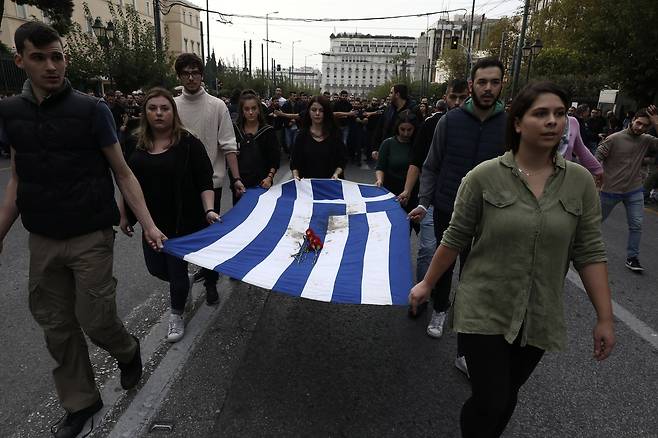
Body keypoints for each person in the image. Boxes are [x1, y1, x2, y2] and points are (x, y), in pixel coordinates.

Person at [409, 81, 615, 438]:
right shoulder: (483, 177)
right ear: (518, 123)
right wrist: (427, 283)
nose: (553, 121)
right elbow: (455, 237)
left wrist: (605, 318)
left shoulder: (579, 182)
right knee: (490, 398)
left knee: (507, 397)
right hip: (484, 307)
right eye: (541, 113)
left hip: (538, 313)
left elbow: (589, 251)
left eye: (560, 114)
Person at [0, 22, 166, 438]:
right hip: (42, 238)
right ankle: (82, 402)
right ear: (20, 60)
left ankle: (127, 350)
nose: (51, 65)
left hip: (91, 234)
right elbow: (18, 177)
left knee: (95, 319)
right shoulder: (11, 114)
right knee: (57, 327)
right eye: (39, 57)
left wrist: (148, 225)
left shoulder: (92, 110)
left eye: (57, 55)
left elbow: (123, 173)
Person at [408, 58, 507, 375]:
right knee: (444, 265)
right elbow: (431, 165)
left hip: (490, 215)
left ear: (501, 85)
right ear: (471, 86)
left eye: (494, 82)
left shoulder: (510, 125)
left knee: (475, 279)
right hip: (448, 208)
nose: (488, 88)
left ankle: (465, 347)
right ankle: (439, 309)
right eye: (482, 82)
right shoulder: (449, 122)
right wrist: (424, 202)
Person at [120, 88, 218, 343]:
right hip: (150, 221)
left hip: (182, 222)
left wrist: (209, 208)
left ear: (173, 113)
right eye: (152, 108)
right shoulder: (133, 142)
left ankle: (176, 313)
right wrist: (124, 215)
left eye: (164, 108)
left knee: (175, 273)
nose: (159, 113)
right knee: (156, 269)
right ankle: (183, 282)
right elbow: (127, 182)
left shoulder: (189, 143)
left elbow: (204, 180)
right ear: (145, 113)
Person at [399, 78, 469, 336]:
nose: (458, 103)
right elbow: (420, 163)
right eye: (453, 97)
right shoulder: (432, 123)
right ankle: (425, 296)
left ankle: (460, 317)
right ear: (446, 96)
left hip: (476, 209)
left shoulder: (490, 125)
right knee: (431, 251)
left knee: (471, 265)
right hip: (436, 203)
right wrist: (411, 192)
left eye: (463, 98)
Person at [173, 52, 242, 304]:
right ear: (179, 77)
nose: (191, 78)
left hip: (211, 182)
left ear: (202, 75)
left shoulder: (217, 106)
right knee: (181, 234)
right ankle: (181, 285)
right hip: (179, 183)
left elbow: (228, 144)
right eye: (185, 73)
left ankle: (211, 282)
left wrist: (236, 178)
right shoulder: (173, 106)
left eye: (195, 72)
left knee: (209, 234)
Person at [595, 106, 658, 272]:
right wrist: (596, 180)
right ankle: (577, 247)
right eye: (638, 123)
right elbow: (595, 159)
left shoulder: (647, 140)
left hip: (634, 190)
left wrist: (656, 121)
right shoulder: (614, 138)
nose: (640, 128)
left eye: (645, 125)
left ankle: (632, 258)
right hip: (609, 190)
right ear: (632, 120)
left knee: (636, 224)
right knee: (593, 223)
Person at [231, 93, 280, 205]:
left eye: (254, 108)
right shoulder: (235, 130)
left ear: (259, 109)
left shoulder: (268, 131)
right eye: (247, 109)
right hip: (240, 184)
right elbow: (230, 158)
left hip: (262, 183)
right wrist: (235, 180)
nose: (251, 112)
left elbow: (275, 159)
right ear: (242, 111)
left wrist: (269, 178)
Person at [375, 110, 420, 220]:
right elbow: (380, 166)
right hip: (390, 190)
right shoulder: (388, 143)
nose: (405, 133)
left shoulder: (417, 145)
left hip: (412, 192)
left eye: (409, 130)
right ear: (397, 128)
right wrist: (380, 179)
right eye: (402, 129)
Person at [290, 95, 348, 179]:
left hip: (330, 185)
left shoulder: (335, 134)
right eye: (314, 110)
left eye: (321, 110)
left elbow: (342, 160)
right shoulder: (302, 135)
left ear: (326, 112)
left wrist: (336, 174)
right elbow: (294, 162)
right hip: (307, 187)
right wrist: (295, 176)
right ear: (309, 112)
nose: (317, 113)